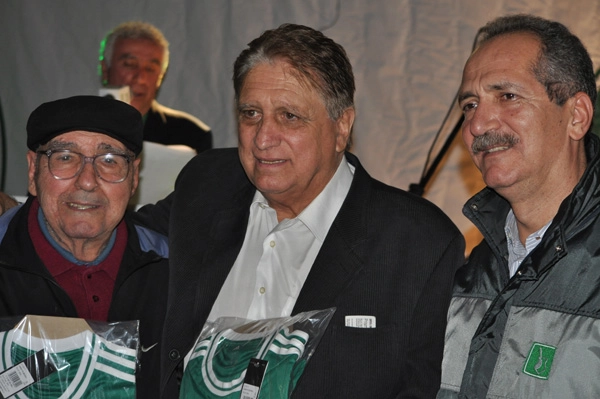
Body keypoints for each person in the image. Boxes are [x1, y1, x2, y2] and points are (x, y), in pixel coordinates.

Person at [134, 23, 466, 398]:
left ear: (342, 127)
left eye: (289, 116)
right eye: (251, 114)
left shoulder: (417, 243)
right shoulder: (208, 186)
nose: (262, 138)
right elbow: (119, 247)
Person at [437, 14, 600, 399]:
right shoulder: (459, 269)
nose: (477, 124)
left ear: (576, 116)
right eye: (470, 104)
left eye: (507, 96)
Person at [0, 95, 169, 398]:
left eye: (109, 161)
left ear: (133, 179)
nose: (87, 181)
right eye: (65, 157)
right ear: (32, 171)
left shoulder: (171, 269)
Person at [99, 21, 213, 154]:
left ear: (160, 77)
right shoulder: (75, 124)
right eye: (129, 64)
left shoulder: (191, 134)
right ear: (105, 69)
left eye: (150, 69)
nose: (140, 78)